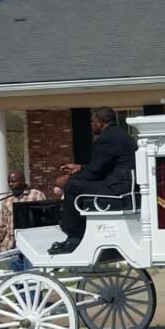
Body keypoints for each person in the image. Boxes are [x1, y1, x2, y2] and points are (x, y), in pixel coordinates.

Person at [50, 107, 137, 254]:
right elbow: (103, 166)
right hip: (126, 186)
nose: (91, 125)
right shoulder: (122, 134)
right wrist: (80, 167)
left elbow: (94, 173)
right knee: (78, 184)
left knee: (72, 187)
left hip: (116, 189)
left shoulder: (105, 139)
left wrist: (69, 178)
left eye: (92, 121)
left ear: (100, 122)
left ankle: (74, 237)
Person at [0, 171, 47, 253]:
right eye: (9, 182)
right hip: (11, 244)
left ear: (22, 181)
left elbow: (44, 219)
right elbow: (1, 222)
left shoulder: (36, 195)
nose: (10, 184)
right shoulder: (7, 199)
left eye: (13, 181)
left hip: (32, 242)